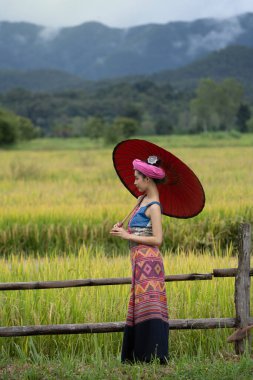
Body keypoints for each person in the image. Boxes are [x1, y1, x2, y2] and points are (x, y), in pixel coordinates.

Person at [110, 156, 169, 364]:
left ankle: (153, 355)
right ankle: (138, 354)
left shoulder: (154, 206)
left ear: (148, 179)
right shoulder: (140, 199)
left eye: (137, 178)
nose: (134, 182)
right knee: (139, 305)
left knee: (150, 306)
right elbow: (138, 230)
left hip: (149, 262)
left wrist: (127, 236)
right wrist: (123, 229)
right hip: (138, 261)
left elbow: (158, 239)